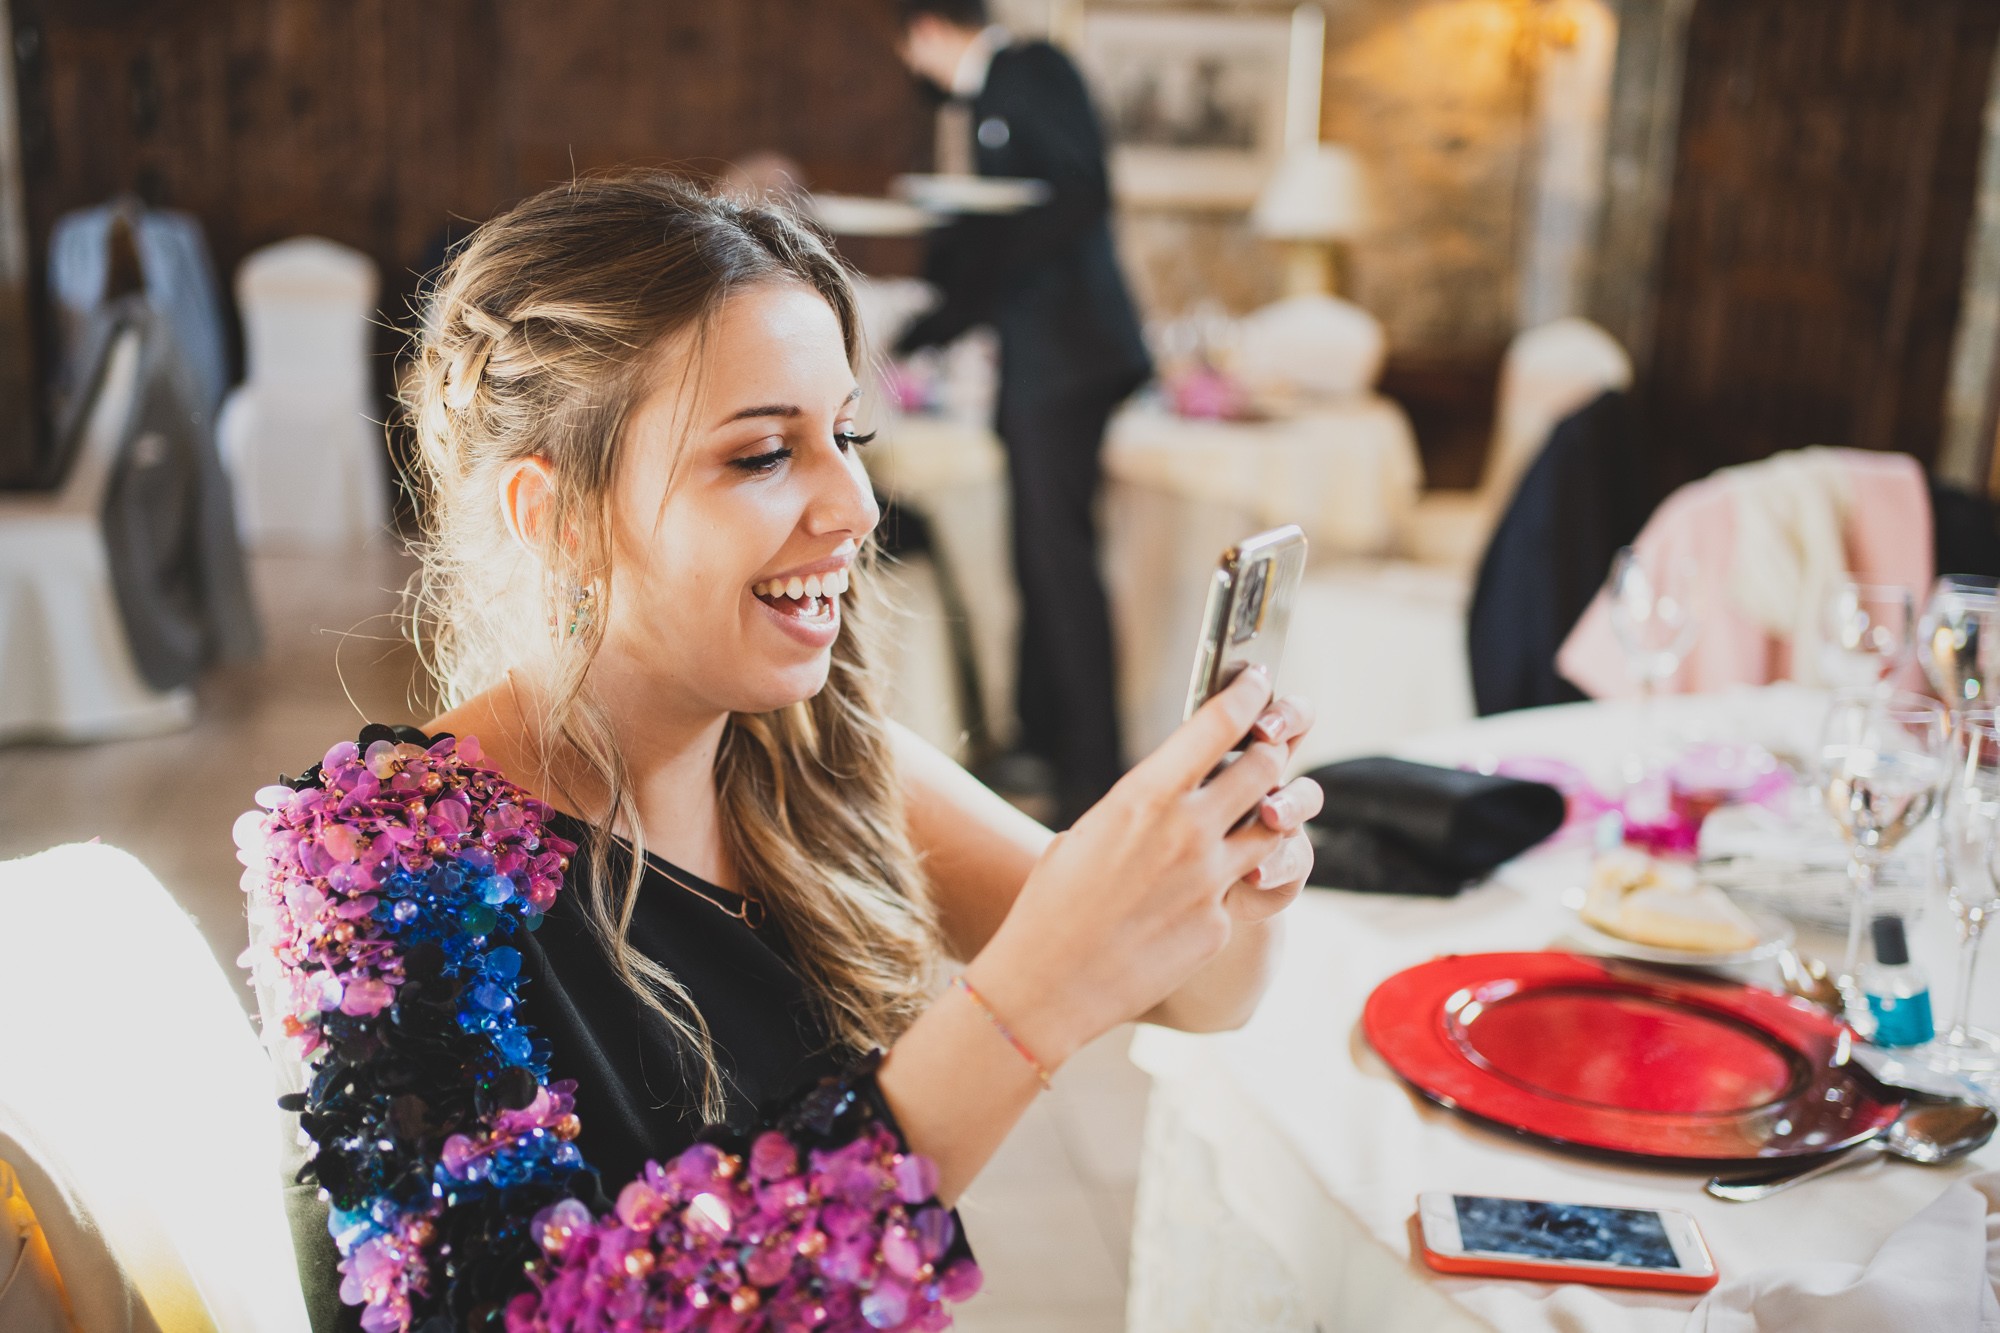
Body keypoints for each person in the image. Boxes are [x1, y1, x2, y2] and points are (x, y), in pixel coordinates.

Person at [235, 171, 1320, 1331]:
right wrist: (1021, 1008)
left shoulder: (821, 759)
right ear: (553, 517)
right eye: (762, 454)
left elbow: (1198, 990)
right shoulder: (372, 864)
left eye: (846, 434)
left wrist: (1237, 869)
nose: (855, 504)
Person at [895, 0, 1152, 827]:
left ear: (926, 31)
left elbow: (1075, 196)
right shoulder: (991, 97)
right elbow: (998, 232)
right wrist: (941, 311)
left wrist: (953, 297)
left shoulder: (1032, 70)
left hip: (1071, 358)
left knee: (1056, 558)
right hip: (1041, 361)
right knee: (1033, 555)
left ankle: (1095, 771)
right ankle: (1043, 741)